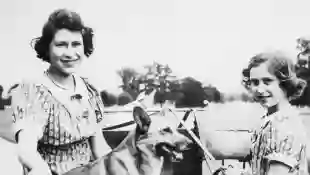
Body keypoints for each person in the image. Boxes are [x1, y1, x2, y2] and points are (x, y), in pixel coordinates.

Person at [9, 9, 112, 175]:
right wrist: (40, 169)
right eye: (61, 45)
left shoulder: (88, 90)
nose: (70, 53)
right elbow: (26, 151)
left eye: (76, 44)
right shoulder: (34, 91)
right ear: (47, 48)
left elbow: (99, 147)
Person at [241, 51, 308, 175]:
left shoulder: (283, 125)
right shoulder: (269, 120)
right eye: (255, 82)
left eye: (267, 81)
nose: (260, 89)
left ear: (284, 83)